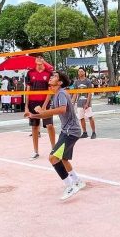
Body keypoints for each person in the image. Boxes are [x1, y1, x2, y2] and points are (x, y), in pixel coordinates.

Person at [27, 71, 85, 201]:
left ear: (59, 83)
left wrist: (42, 111)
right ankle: (77, 181)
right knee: (63, 159)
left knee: (53, 158)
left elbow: (62, 109)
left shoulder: (62, 93)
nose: (51, 77)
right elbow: (48, 114)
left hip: (71, 131)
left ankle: (70, 186)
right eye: (52, 75)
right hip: (68, 130)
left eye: (54, 76)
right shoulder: (56, 95)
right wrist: (34, 115)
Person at [26, 53, 54, 160]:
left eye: (41, 57)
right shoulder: (30, 73)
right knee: (34, 127)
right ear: (35, 60)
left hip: (45, 103)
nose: (39, 59)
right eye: (37, 57)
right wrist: (26, 106)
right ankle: (36, 151)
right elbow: (27, 91)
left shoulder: (49, 73)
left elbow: (50, 90)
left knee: (49, 126)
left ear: (43, 60)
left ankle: (54, 149)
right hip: (33, 103)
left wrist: (44, 106)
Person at [73, 68, 97, 139]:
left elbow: (90, 93)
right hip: (79, 103)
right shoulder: (76, 82)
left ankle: (93, 132)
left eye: (81, 71)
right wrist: (73, 102)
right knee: (81, 118)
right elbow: (75, 93)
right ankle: (84, 132)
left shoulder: (88, 81)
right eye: (79, 71)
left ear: (84, 72)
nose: (80, 72)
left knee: (90, 117)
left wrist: (87, 103)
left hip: (86, 103)